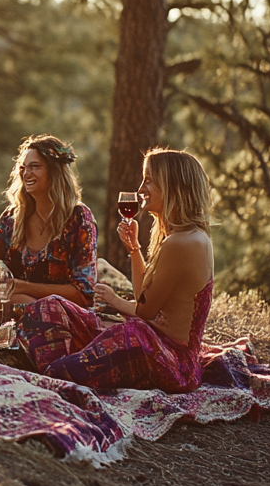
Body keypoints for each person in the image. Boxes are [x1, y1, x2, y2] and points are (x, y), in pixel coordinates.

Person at [18, 147, 214, 393]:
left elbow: (144, 311)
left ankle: (59, 374)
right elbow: (146, 295)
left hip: (171, 361)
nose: (141, 189)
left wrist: (114, 300)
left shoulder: (182, 242)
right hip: (148, 338)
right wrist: (134, 250)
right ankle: (64, 369)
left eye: (149, 181)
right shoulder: (179, 236)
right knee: (48, 307)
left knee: (126, 333)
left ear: (174, 186)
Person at [0, 135, 97, 318]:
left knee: (3, 297)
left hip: (67, 315)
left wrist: (21, 287)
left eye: (35, 166)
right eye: (23, 167)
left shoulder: (80, 218)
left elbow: (83, 295)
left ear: (55, 172)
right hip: (20, 303)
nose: (26, 173)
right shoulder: (14, 217)